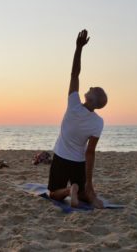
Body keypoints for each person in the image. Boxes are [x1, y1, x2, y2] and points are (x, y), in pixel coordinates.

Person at [48, 29, 107, 208]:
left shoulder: (73, 103)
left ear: (90, 98)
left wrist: (79, 47)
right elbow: (90, 153)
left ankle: (68, 191)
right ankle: (86, 194)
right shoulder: (98, 122)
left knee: (53, 194)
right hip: (78, 162)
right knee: (83, 193)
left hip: (60, 157)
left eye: (92, 88)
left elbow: (75, 74)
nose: (89, 86)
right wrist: (89, 183)